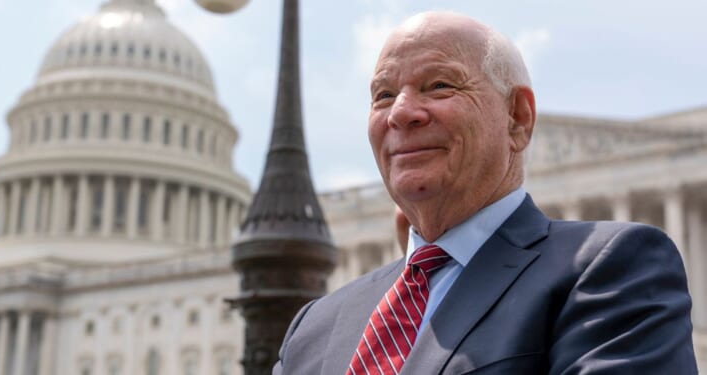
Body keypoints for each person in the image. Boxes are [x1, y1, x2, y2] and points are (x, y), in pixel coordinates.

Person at [273, 11, 697, 375]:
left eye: (439, 85)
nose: (400, 112)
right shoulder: (313, 329)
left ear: (517, 117)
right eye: (383, 95)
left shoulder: (612, 269)